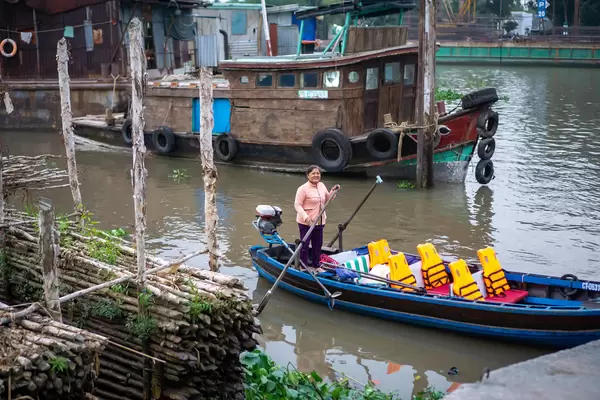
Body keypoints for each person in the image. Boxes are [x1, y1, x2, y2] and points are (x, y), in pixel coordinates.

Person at [294, 165, 340, 268]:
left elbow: (327, 199)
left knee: (317, 245)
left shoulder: (322, 185)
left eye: (318, 173)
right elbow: (297, 205)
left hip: (320, 221)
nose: (316, 175)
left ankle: (316, 265)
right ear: (308, 175)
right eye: (313, 173)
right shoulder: (303, 189)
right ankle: (303, 266)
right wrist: (306, 217)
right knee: (304, 246)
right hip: (306, 222)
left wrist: (333, 191)